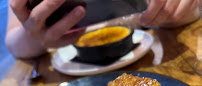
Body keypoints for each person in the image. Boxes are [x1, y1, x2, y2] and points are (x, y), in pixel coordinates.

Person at [6, 0, 200, 59]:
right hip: (70, 72)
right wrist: (35, 33)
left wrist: (181, 8)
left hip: (165, 53)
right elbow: (14, 43)